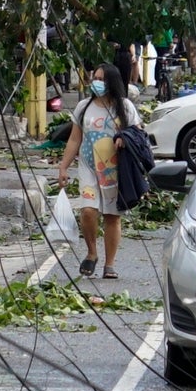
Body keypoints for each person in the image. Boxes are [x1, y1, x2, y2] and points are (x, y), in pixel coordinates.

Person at [61, 66, 133, 282]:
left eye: (102, 79)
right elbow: (75, 139)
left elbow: (138, 134)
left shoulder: (125, 108)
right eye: (95, 78)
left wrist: (125, 139)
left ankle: (109, 264)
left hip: (115, 171)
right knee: (88, 211)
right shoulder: (84, 107)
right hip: (89, 168)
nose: (97, 82)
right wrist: (63, 167)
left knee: (112, 216)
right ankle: (92, 252)